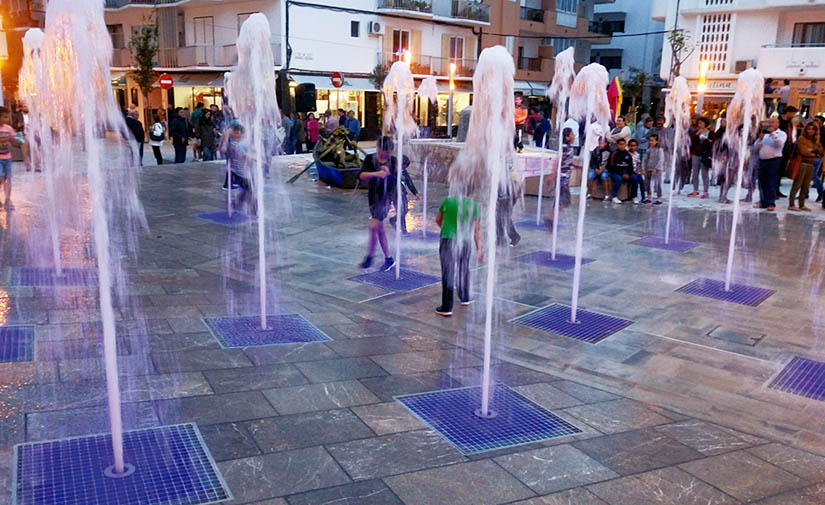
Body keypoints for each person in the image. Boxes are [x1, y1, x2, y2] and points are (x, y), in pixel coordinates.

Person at [436, 181, 483, 316]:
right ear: (472, 192)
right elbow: (477, 230)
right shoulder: (474, 206)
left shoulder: (448, 201)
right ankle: (465, 296)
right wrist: (479, 249)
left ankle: (447, 307)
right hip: (465, 241)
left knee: (448, 271)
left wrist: (446, 230)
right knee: (464, 268)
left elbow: (438, 219)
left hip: (448, 240)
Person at [359, 136, 396, 272]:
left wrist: (388, 174)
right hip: (373, 198)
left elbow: (396, 181)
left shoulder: (393, 161)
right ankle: (389, 258)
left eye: (387, 152)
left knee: (373, 226)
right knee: (379, 229)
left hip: (385, 199)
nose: (384, 154)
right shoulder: (370, 159)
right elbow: (361, 175)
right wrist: (377, 174)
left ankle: (369, 256)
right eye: (381, 151)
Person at [220, 121, 256, 213]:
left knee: (248, 191)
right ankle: (253, 210)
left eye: (239, 132)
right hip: (241, 173)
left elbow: (222, 148)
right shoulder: (237, 145)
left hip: (237, 172)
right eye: (236, 132)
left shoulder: (233, 143)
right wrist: (258, 160)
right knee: (251, 190)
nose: (238, 134)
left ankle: (237, 204)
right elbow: (245, 156)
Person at [789, 122, 824, 211]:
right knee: (797, 184)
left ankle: (802, 204)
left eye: (813, 129)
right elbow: (803, 151)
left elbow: (821, 152)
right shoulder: (802, 138)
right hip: (802, 163)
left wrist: (814, 150)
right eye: (809, 129)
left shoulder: (815, 140)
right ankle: (791, 204)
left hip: (811, 164)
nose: (810, 131)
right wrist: (814, 153)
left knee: (806, 185)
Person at [545, 127, 574, 230]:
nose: (574, 136)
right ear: (567, 137)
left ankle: (550, 219)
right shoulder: (564, 147)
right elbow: (557, 161)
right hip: (562, 178)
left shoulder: (569, 147)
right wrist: (553, 175)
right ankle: (550, 219)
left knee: (562, 201)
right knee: (564, 201)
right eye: (572, 134)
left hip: (565, 178)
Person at [755, 117, 787, 211]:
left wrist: (772, 133)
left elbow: (780, 144)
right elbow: (754, 149)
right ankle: (763, 201)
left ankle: (771, 202)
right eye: (769, 122)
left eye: (772, 122)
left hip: (774, 160)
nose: (770, 124)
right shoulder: (764, 134)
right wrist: (759, 140)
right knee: (762, 182)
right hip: (762, 160)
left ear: (778, 124)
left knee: (771, 182)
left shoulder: (781, 134)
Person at [388, 155, 418, 235]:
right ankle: (404, 231)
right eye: (404, 166)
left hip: (402, 193)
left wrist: (415, 193)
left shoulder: (404, 171)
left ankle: (393, 220)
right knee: (401, 210)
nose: (404, 169)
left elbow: (409, 182)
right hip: (394, 194)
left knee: (404, 210)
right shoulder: (391, 171)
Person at [688, 117, 715, 198]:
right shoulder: (696, 132)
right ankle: (695, 190)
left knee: (704, 173)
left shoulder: (711, 133)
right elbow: (690, 141)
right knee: (695, 173)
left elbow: (713, 143)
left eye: (701, 123)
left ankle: (705, 191)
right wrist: (697, 134)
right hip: (696, 154)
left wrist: (706, 140)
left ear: (705, 124)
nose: (699, 125)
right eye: (698, 123)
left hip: (705, 155)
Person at [0, 107, 21, 210]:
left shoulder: (8, 128)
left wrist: (19, 142)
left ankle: (8, 199)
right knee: (0, 178)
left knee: (8, 179)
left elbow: (15, 140)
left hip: (7, 158)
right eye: (5, 117)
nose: (7, 119)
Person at [496, 166, 521, 247]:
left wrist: (513, 197)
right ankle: (500, 238)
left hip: (508, 197)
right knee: (497, 217)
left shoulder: (512, 169)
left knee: (504, 217)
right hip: (500, 193)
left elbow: (517, 185)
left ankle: (514, 236)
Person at [607, 138, 636, 204]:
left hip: (626, 172)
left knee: (635, 178)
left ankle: (634, 196)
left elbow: (630, 166)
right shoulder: (613, 154)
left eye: (623, 144)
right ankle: (614, 196)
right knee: (618, 179)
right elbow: (611, 166)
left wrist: (628, 174)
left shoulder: (628, 154)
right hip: (615, 172)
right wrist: (621, 174)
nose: (622, 146)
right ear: (617, 145)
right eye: (620, 144)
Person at [643, 133, 664, 205]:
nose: (651, 142)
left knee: (657, 183)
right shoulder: (649, 149)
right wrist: (643, 168)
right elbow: (645, 159)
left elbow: (661, 159)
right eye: (650, 140)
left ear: (656, 141)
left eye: (652, 140)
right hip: (649, 168)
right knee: (648, 183)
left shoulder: (659, 150)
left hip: (657, 169)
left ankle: (659, 197)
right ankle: (649, 197)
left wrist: (656, 168)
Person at [628, 139, 647, 204]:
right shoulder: (627, 154)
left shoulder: (637, 154)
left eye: (634, 146)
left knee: (641, 180)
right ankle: (634, 196)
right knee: (635, 180)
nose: (633, 147)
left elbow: (638, 163)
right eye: (631, 145)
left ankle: (643, 197)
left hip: (636, 171)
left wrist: (638, 170)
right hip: (629, 172)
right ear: (629, 146)